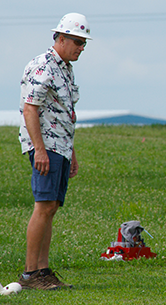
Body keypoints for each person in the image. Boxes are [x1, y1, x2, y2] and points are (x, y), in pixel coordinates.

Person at [17, 12, 92, 290]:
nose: (81, 48)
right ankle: (29, 274)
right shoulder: (42, 66)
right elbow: (30, 109)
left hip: (60, 146)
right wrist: (39, 150)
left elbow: (65, 113)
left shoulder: (65, 68)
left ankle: (43, 271)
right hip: (45, 147)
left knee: (52, 207)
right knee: (44, 205)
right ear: (60, 38)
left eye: (84, 43)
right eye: (76, 41)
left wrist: (71, 152)